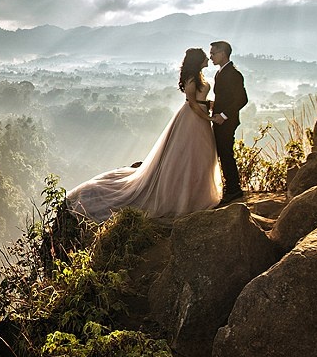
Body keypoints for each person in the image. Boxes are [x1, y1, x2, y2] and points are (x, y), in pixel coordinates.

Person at [66, 48, 223, 222]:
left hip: (199, 117)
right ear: (198, 60)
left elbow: (200, 101)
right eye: (204, 57)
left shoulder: (198, 76)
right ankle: (185, 198)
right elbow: (192, 104)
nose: (208, 58)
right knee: (190, 156)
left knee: (201, 155)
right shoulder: (192, 79)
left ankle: (195, 193)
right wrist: (208, 117)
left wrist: (210, 105)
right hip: (193, 119)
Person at [209, 40, 248, 204]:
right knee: (223, 153)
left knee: (226, 154)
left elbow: (242, 99)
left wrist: (223, 115)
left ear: (223, 53)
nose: (211, 57)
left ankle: (234, 189)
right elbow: (224, 97)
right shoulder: (220, 72)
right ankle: (231, 187)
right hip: (220, 119)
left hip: (227, 121)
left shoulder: (233, 74)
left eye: (213, 53)